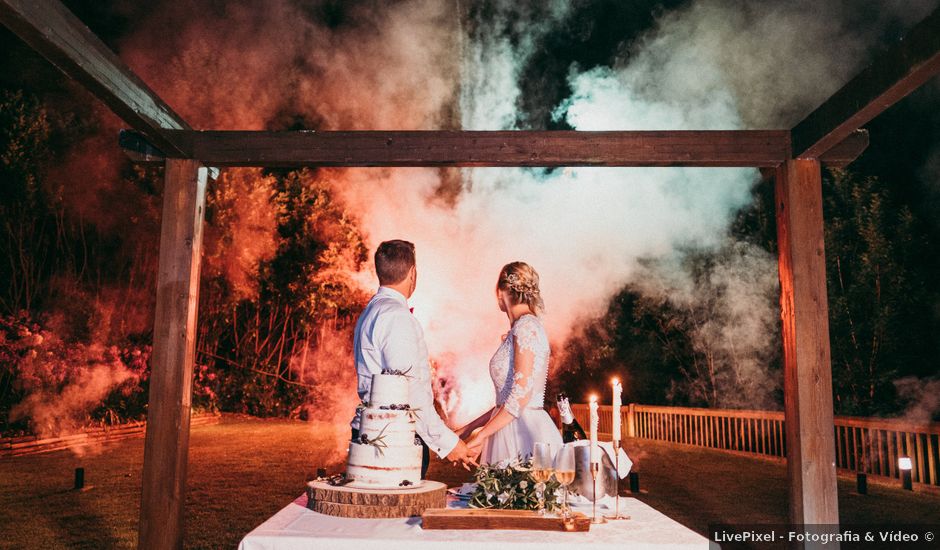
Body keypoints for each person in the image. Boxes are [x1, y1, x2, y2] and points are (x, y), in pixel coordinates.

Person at [351, 239, 477, 475]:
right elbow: (408, 392)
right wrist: (447, 443)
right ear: (413, 273)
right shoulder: (396, 317)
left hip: (372, 431)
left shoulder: (371, 311)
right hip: (395, 440)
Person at [464, 261, 563, 464]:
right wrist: (465, 430)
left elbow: (519, 397)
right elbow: (503, 402)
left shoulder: (526, 328)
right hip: (508, 427)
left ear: (500, 293)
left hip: (524, 434)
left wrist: (482, 435)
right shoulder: (521, 328)